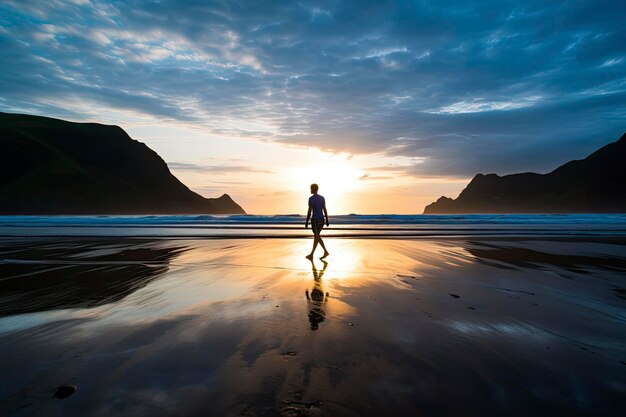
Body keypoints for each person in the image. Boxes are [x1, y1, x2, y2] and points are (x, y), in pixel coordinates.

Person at [305, 183, 329, 259]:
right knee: (317, 236)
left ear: (313, 189)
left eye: (311, 188)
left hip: (315, 219)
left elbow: (309, 211)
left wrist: (306, 221)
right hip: (321, 219)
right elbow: (324, 209)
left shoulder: (311, 199)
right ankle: (318, 253)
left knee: (316, 236)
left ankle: (315, 254)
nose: (310, 190)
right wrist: (327, 219)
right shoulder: (322, 198)